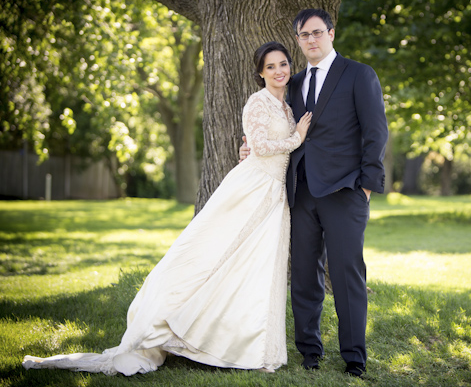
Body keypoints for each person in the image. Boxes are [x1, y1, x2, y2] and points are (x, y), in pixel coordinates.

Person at [22, 41, 311, 376]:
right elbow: (259, 147)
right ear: (260, 73)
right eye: (271, 66)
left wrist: (290, 137)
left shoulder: (288, 109)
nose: (279, 71)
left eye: (283, 64)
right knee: (216, 254)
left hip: (274, 197)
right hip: (251, 190)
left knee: (255, 267)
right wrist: (297, 138)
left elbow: (263, 147)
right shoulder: (256, 103)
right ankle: (170, 323)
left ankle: (254, 348)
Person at [240, 9, 388, 378]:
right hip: (301, 193)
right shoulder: (295, 82)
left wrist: (367, 185)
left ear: (331, 33)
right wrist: (249, 148)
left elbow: (376, 132)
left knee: (346, 274)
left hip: (345, 192)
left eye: (317, 33)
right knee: (305, 276)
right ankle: (309, 351)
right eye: (304, 36)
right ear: (298, 40)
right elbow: (276, 128)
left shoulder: (358, 74)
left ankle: (354, 356)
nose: (311, 40)